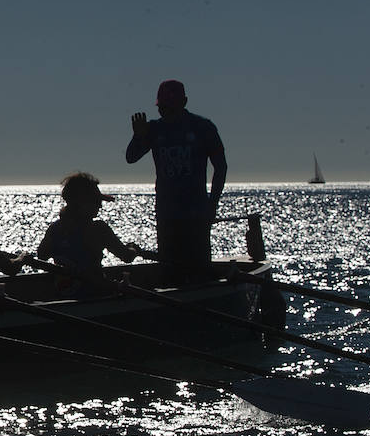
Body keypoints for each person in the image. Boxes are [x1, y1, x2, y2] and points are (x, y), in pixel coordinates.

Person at [125, 79, 227, 276]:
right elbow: (131, 157)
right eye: (162, 107)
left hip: (196, 210)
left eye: (170, 107)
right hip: (167, 212)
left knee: (199, 267)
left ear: (184, 102)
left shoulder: (203, 127)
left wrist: (212, 203)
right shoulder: (154, 129)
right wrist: (138, 136)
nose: (166, 112)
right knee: (170, 267)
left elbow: (220, 167)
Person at [35, 172, 140, 296]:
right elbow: (126, 257)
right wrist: (134, 249)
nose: (100, 206)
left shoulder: (55, 228)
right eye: (96, 201)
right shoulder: (99, 229)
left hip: (64, 293)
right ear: (81, 203)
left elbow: (42, 255)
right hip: (94, 293)